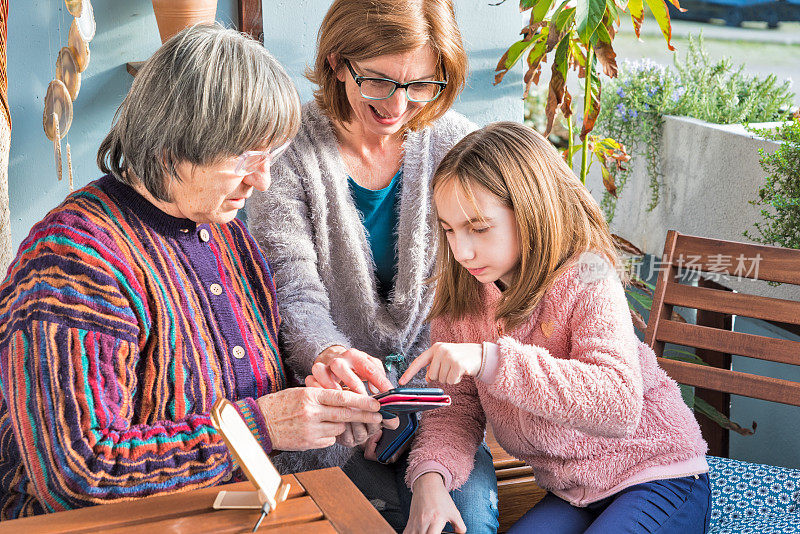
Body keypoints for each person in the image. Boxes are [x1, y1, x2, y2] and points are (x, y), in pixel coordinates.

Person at [0, 25, 384, 519]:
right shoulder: (74, 261)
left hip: (236, 514)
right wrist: (260, 427)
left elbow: (256, 396)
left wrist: (326, 402)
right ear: (173, 145)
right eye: (246, 156)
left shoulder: (226, 235)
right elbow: (80, 474)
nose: (263, 179)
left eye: (272, 155)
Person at [246, 0, 499, 530]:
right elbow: (292, 292)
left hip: (440, 412)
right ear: (338, 62)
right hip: (333, 406)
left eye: (420, 85)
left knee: (469, 522)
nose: (398, 105)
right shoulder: (289, 152)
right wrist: (332, 356)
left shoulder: (456, 145)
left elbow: (487, 289)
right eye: (379, 81)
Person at [400, 122, 711, 533]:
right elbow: (455, 412)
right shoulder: (463, 302)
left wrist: (488, 359)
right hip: (573, 493)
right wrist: (430, 478)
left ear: (531, 210)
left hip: (659, 476)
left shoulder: (587, 275)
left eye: (478, 228)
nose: (462, 250)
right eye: (449, 230)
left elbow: (617, 404)